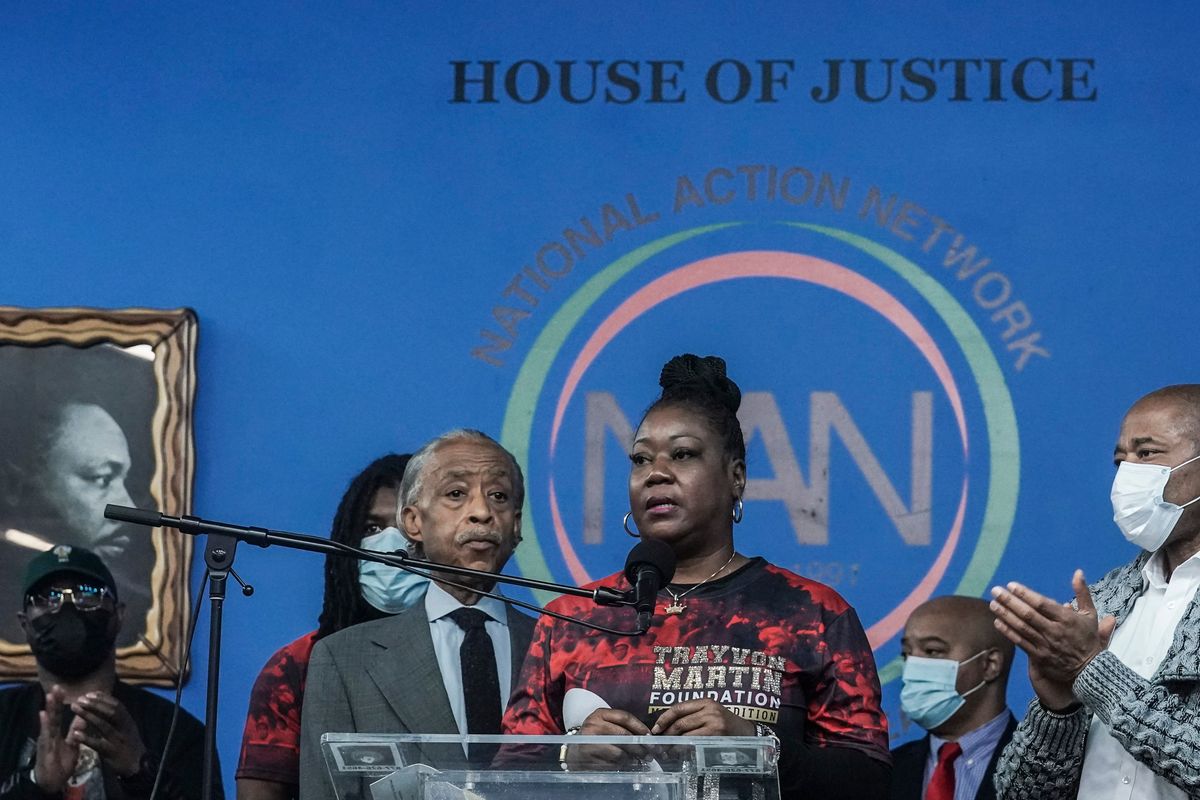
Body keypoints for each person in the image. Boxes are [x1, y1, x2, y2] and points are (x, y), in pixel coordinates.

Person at [502, 354, 892, 799]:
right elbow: (507, 771)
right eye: (640, 459)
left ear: (736, 477)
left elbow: (869, 780)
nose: (656, 473)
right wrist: (569, 756)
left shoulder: (813, 612)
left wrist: (759, 749)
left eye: (683, 454)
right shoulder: (573, 615)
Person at [298, 430, 536, 800]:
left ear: (516, 525)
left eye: (499, 497)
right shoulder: (343, 660)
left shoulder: (556, 647)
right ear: (412, 522)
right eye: (456, 494)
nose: (482, 512)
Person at [990, 384, 1200, 798]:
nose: (1127, 474)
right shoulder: (1103, 601)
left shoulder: (1086, 643)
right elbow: (1021, 794)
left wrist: (1092, 669)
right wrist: (1058, 709)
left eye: (1147, 454)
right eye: (1120, 459)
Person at [236, 454, 427, 800]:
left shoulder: (473, 649)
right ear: (346, 544)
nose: (390, 545)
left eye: (408, 527)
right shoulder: (296, 667)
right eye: (371, 528)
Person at [0, 545, 215, 800]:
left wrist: (140, 771)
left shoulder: (176, 730)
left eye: (88, 595)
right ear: (24, 623)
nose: (67, 607)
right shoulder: (4, 717)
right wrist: (35, 783)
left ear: (118, 614)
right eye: (48, 598)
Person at [890, 596, 1016, 800]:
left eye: (932, 651)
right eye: (907, 654)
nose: (912, 668)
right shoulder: (883, 772)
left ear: (990, 665)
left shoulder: (1049, 768)